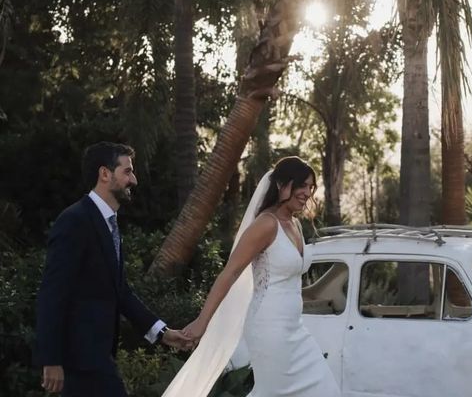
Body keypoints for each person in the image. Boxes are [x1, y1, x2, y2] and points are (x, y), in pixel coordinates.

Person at [161, 156, 340, 397]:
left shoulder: (295, 225)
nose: (307, 192)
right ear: (282, 185)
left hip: (294, 328)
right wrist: (202, 322)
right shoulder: (266, 224)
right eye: (302, 185)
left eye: (311, 186)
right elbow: (231, 272)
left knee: (325, 390)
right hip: (269, 329)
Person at [34, 142, 193, 396]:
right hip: (79, 361)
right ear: (105, 174)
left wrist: (163, 333)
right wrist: (51, 359)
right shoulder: (75, 221)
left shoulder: (109, 224)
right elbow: (52, 294)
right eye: (127, 171)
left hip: (96, 359)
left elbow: (121, 293)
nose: (134, 180)